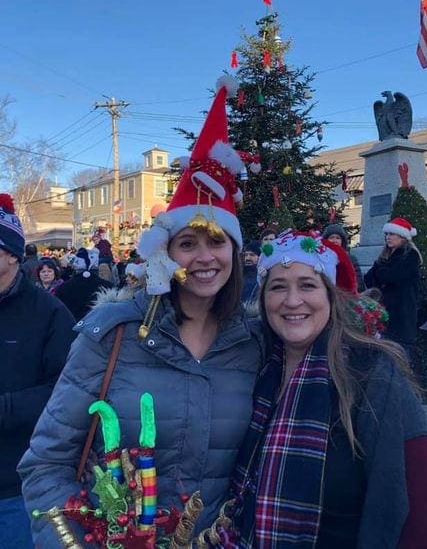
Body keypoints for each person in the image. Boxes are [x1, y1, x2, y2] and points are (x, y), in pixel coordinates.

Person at [18, 76, 263, 547]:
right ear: (163, 254)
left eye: (217, 242)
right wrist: (75, 544)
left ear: (234, 251)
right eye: (187, 243)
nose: (204, 257)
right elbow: (46, 465)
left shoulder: (254, 342)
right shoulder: (110, 335)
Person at [231, 230, 427, 548]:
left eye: (307, 285)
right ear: (262, 300)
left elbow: (417, 512)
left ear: (330, 295)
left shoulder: (373, 373)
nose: (292, 300)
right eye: (277, 287)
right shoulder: (254, 367)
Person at [0, 194, 75, 548]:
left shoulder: (49, 313)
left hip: (15, 487)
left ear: (11, 254)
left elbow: (66, 392)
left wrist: (6, 408)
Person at [364, 217, 422, 361]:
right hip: (384, 312)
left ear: (402, 237)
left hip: (402, 312)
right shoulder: (385, 257)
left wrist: (380, 270)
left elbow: (391, 277)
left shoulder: (410, 255)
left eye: (392, 234)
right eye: (387, 234)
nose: (388, 237)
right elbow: (369, 279)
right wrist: (380, 269)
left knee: (399, 356)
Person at [54, 247, 113, 322]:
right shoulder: (108, 287)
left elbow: (59, 314)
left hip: (71, 328)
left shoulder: (63, 288)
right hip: (100, 330)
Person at [322, 222, 366, 292]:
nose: (334, 241)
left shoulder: (351, 259)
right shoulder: (320, 257)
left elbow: (359, 283)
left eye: (338, 238)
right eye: (331, 237)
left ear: (342, 241)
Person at [242, 240, 260, 316]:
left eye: (252, 255)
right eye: (246, 255)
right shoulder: (239, 276)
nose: (248, 258)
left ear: (260, 257)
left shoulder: (264, 278)